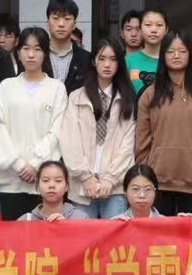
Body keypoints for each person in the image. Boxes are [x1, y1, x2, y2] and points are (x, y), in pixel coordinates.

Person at [0, 27, 69, 220]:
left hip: (45, 181)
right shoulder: (7, 86)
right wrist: (17, 164)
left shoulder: (56, 88)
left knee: (44, 234)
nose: (31, 55)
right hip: (10, 180)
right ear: (18, 52)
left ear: (45, 53)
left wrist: (35, 164)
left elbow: (57, 130)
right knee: (13, 233)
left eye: (37, 49)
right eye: (26, 48)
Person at [135, 32, 192, 215]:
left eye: (182, 51)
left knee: (191, 234)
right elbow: (142, 139)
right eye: (171, 51)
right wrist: (143, 175)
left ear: (190, 55)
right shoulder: (150, 95)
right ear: (163, 56)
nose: (176, 55)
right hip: (158, 182)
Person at [58, 38, 136, 219]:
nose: (107, 64)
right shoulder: (76, 97)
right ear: (93, 61)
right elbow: (69, 140)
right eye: (102, 58)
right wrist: (86, 177)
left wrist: (110, 179)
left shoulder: (127, 99)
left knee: (114, 235)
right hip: (82, 185)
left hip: (114, 187)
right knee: (84, 235)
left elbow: (128, 145)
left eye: (113, 59)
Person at [45, 0, 91, 93]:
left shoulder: (87, 59)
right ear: (47, 23)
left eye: (67, 19)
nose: (61, 24)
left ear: (74, 24)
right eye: (56, 18)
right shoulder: (38, 56)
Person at [18, 160, 87, 221]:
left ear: (67, 186)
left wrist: (66, 227)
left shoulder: (81, 219)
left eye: (58, 181)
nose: (51, 185)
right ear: (37, 187)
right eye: (45, 180)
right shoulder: (25, 221)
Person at [125, 7, 166, 94]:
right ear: (140, 29)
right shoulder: (128, 61)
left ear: (166, 30)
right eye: (148, 25)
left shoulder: (171, 60)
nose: (153, 30)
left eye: (159, 25)